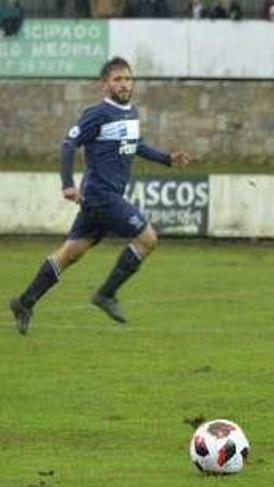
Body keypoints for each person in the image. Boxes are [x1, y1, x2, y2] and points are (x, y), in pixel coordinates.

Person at [8, 57, 192, 335]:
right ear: (104, 84)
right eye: (117, 79)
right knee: (147, 239)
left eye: (128, 79)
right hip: (100, 195)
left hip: (103, 198)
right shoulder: (97, 113)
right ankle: (106, 294)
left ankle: (24, 301)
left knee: (69, 254)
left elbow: (136, 145)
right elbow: (69, 143)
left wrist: (167, 158)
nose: (124, 84)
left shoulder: (130, 113)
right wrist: (68, 183)